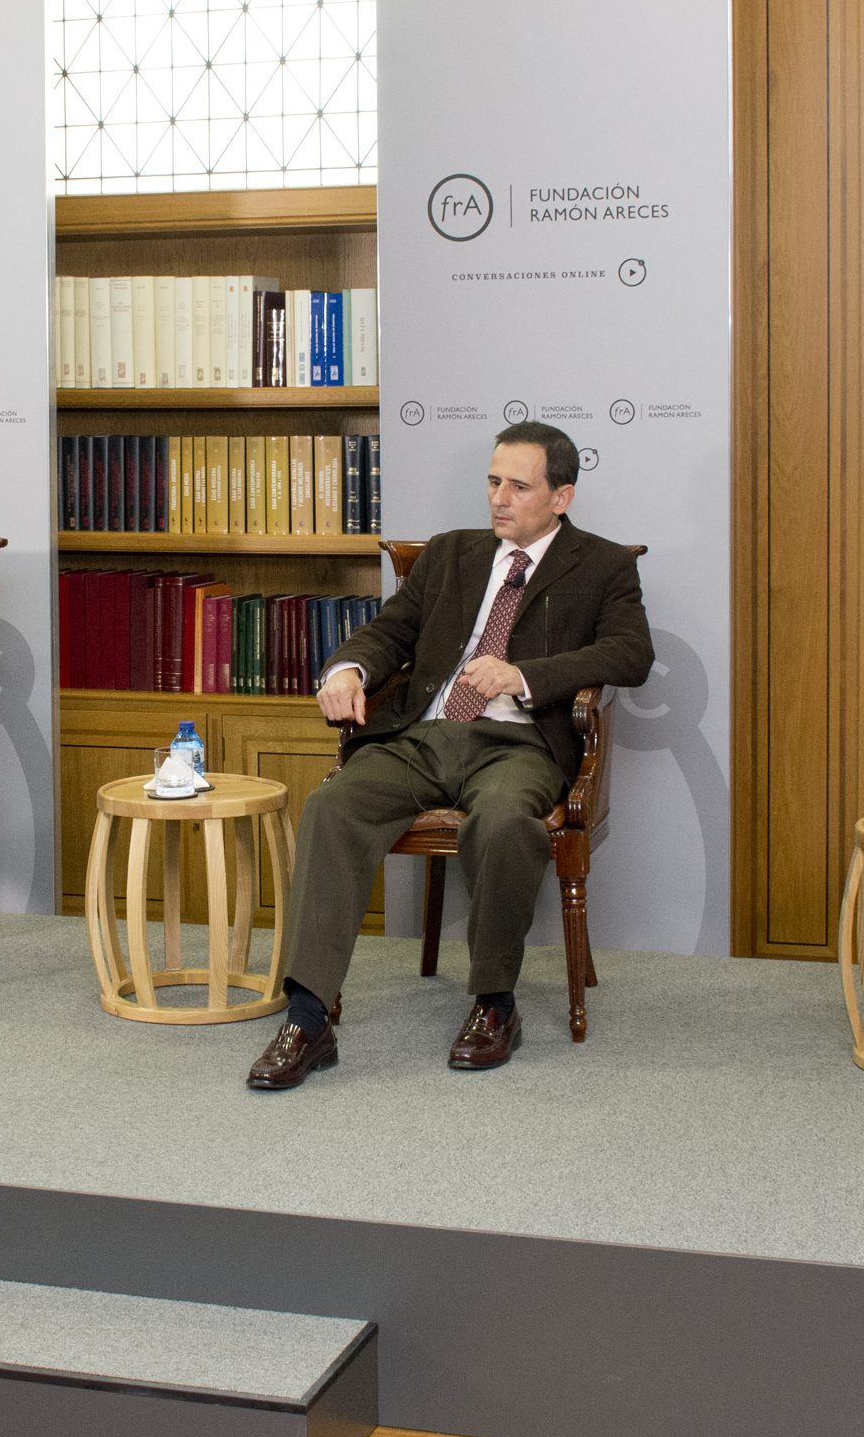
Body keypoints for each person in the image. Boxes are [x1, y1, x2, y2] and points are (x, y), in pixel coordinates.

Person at [247, 422, 653, 1088]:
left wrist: (522, 675)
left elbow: (630, 653)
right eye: (493, 482)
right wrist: (347, 670)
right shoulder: (450, 553)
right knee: (332, 806)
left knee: (505, 823)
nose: (498, 498)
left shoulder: (603, 565)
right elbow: (390, 632)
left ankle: (495, 1005)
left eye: (518, 486)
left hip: (518, 744)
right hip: (422, 736)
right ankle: (307, 1018)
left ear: (561, 497)